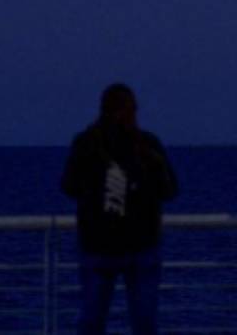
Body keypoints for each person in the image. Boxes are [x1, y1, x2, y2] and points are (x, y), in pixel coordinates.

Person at [60, 83, 178, 335]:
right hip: (127, 248)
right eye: (131, 110)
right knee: (138, 322)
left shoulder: (88, 143)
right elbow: (169, 190)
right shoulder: (144, 145)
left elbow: (69, 186)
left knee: (95, 321)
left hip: (109, 247)